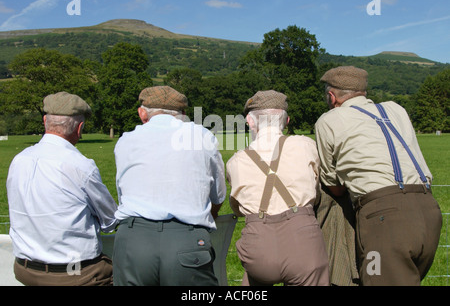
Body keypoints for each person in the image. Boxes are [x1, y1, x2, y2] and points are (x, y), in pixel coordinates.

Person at [315, 66, 442, 286]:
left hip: (384, 220)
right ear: (363, 92)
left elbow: (334, 186)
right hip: (429, 211)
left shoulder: (328, 121)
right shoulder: (396, 109)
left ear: (331, 96)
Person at [112, 86, 226, 286]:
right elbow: (218, 195)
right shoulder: (203, 136)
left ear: (142, 113)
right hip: (188, 238)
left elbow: (123, 193)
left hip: (133, 239)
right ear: (183, 114)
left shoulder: (125, 140)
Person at [7, 91, 118, 286]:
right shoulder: (80, 165)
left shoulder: (19, 160)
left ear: (44, 121)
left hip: (25, 269)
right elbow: (110, 221)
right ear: (80, 127)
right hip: (72, 273)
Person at [226, 90, 330, 286]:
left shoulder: (235, 161)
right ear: (287, 120)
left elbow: (237, 209)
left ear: (250, 121)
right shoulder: (306, 145)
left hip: (258, 244)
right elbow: (317, 189)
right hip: (303, 240)